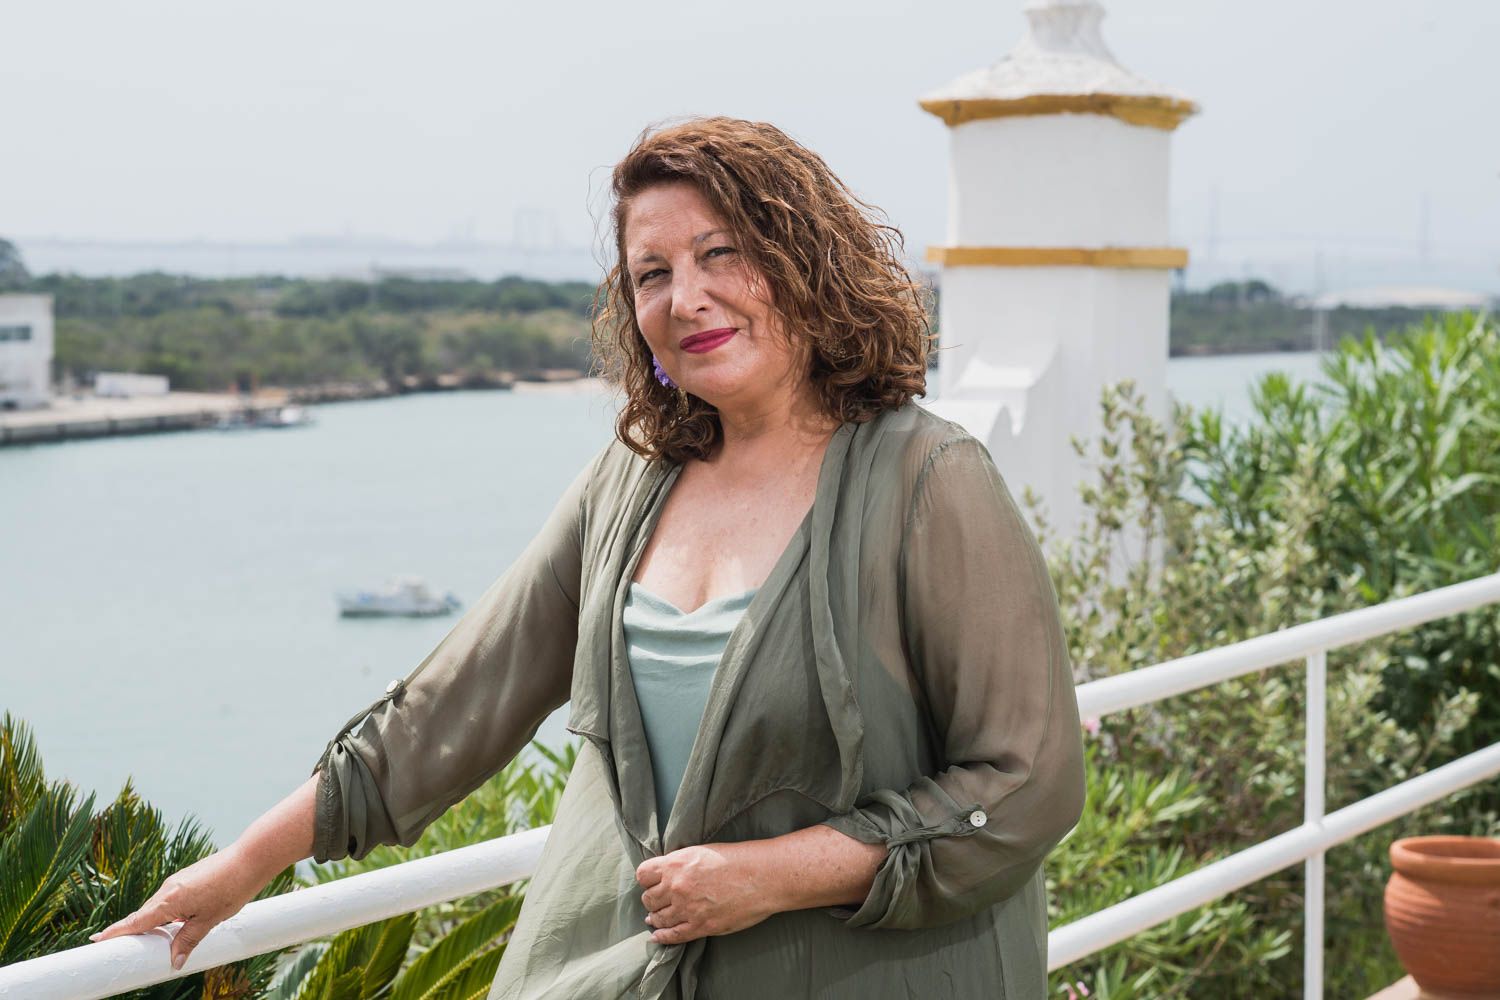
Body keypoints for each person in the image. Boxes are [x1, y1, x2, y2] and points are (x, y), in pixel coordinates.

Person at [93, 117, 1087, 999]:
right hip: (608, 968)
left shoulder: (930, 478)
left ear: (803, 260)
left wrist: (776, 872)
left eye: (720, 252)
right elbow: (452, 705)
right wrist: (240, 867)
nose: (685, 296)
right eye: (652, 273)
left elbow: (1028, 779)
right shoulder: (631, 478)